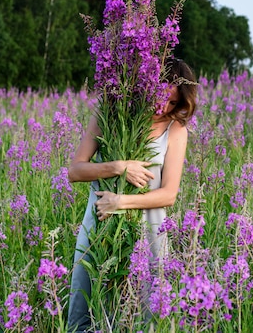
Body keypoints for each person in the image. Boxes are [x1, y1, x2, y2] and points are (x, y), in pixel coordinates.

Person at [67, 58, 198, 332]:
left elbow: (169, 194)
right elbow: (75, 171)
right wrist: (118, 167)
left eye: (173, 103)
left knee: (142, 317)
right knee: (85, 310)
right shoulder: (109, 113)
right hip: (99, 229)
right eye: (161, 97)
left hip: (148, 234)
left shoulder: (175, 130)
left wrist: (120, 202)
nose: (164, 108)